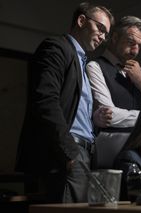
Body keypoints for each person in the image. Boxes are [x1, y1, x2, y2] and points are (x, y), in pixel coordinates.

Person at [15, 2, 114, 203]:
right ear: (81, 21)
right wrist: (69, 153)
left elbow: (72, 108)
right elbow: (45, 102)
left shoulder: (82, 61)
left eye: (106, 33)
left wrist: (94, 118)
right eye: (100, 28)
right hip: (67, 153)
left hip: (82, 153)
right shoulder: (57, 47)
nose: (103, 37)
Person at [86, 16, 141, 169]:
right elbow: (109, 115)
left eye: (139, 45)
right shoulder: (94, 67)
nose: (135, 50)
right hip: (110, 156)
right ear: (114, 37)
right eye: (130, 42)